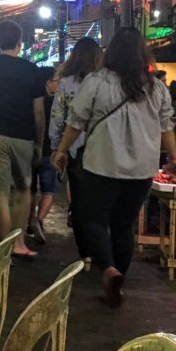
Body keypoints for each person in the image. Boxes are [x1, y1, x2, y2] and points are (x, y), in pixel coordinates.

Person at [53, 27, 176, 308]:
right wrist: (174, 158)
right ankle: (119, 277)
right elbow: (166, 127)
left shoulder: (97, 82)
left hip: (102, 164)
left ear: (110, 52)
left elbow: (76, 121)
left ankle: (108, 269)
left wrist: (62, 150)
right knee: (124, 224)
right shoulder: (156, 87)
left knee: (93, 219)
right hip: (141, 169)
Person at [0, 20, 45, 260]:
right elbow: (38, 112)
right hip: (23, 137)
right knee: (24, 190)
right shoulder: (32, 70)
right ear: (19, 41)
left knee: (0, 193)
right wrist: (39, 142)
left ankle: (3, 249)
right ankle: (20, 243)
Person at [51, 37, 103, 245]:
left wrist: (56, 147)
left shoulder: (66, 83)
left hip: (74, 148)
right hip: (102, 147)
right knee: (100, 198)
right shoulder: (104, 81)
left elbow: (57, 116)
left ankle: (85, 248)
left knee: (79, 196)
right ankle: (99, 242)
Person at [29, 68, 59, 244]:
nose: (59, 83)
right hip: (49, 151)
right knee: (49, 191)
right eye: (57, 80)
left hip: (31, 150)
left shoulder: (32, 101)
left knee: (29, 190)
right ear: (48, 82)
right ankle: (38, 219)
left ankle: (28, 220)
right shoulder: (57, 103)